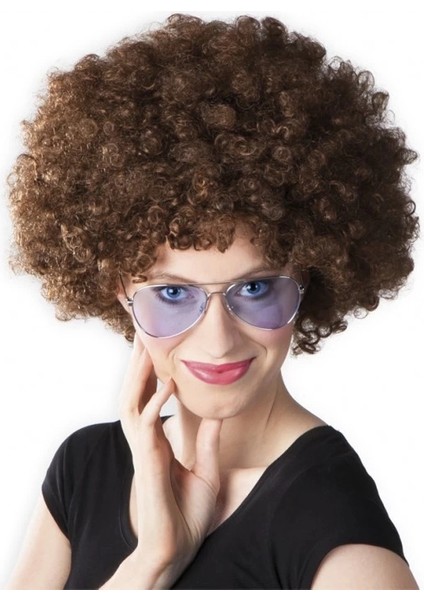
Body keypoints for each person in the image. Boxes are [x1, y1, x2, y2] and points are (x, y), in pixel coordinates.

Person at [5, 13, 419, 590]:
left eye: (255, 288)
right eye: (173, 293)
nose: (219, 340)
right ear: (118, 289)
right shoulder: (85, 467)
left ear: (311, 276)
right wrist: (150, 561)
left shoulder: (340, 536)